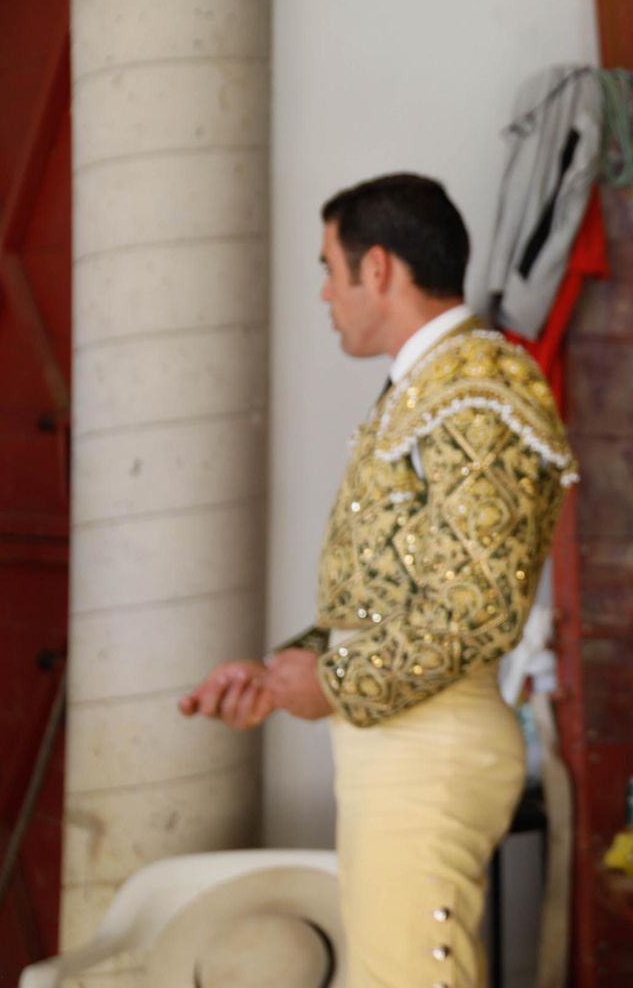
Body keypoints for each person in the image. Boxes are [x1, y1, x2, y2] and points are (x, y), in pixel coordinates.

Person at [180, 173, 575, 988]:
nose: (324, 293)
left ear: (380, 269)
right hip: (402, 739)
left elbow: (479, 611)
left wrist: (330, 679)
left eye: (331, 267)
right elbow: (393, 588)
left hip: (432, 746)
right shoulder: (436, 386)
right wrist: (285, 670)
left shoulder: (475, 389)